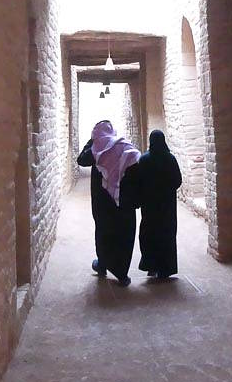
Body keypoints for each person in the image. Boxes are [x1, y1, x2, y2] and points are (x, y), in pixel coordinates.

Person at [77, 120, 142, 287]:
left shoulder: (95, 149)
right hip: (123, 202)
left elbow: (81, 160)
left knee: (104, 232)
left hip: (102, 202)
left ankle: (103, 264)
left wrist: (91, 142)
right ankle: (122, 273)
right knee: (124, 235)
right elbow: (136, 170)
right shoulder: (125, 146)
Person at [137, 130, 183, 279]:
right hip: (167, 205)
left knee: (149, 234)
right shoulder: (170, 159)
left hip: (149, 205)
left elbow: (138, 181)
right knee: (167, 234)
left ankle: (151, 265)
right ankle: (165, 268)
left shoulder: (144, 160)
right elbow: (177, 181)